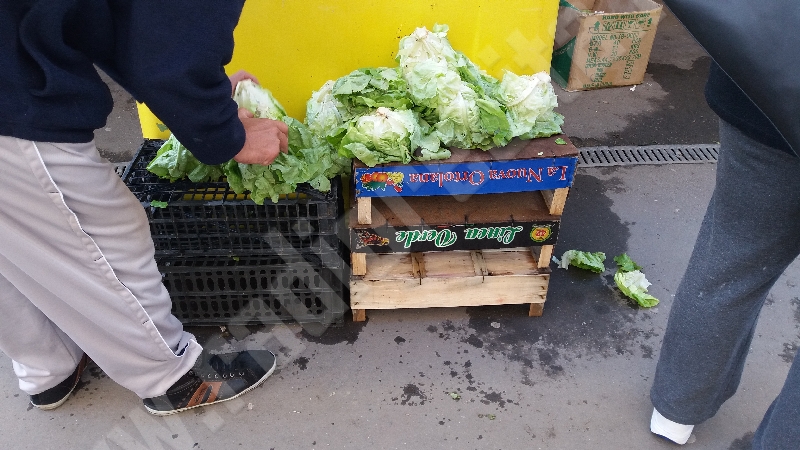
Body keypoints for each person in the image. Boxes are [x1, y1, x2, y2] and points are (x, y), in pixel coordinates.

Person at [0, 1, 289, 415]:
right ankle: (170, 377)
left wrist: (196, 99)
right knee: (104, 235)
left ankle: (48, 367)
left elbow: (126, 23)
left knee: (11, 246)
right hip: (13, 102)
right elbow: (170, 45)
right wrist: (223, 129)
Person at [648, 60, 800, 447]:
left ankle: (675, 413)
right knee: (732, 255)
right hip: (764, 94)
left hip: (765, 92)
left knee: (731, 262)